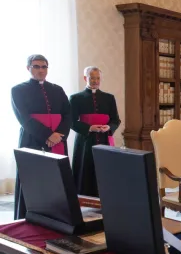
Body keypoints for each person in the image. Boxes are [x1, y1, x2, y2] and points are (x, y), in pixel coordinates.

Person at [11, 54, 71, 219]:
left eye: (44, 67)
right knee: (33, 181)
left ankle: (58, 216)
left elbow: (68, 114)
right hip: (32, 140)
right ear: (28, 68)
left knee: (57, 180)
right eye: (36, 66)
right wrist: (48, 135)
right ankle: (29, 217)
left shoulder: (57, 89)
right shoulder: (18, 90)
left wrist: (60, 135)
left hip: (58, 140)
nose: (41, 70)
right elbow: (24, 118)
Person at [69, 66, 121, 196]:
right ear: (85, 78)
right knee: (85, 170)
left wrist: (109, 127)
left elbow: (115, 120)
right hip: (85, 140)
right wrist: (89, 128)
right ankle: (84, 198)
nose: (95, 81)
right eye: (92, 78)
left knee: (104, 169)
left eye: (98, 78)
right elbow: (71, 121)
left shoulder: (109, 98)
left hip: (104, 139)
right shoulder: (75, 98)